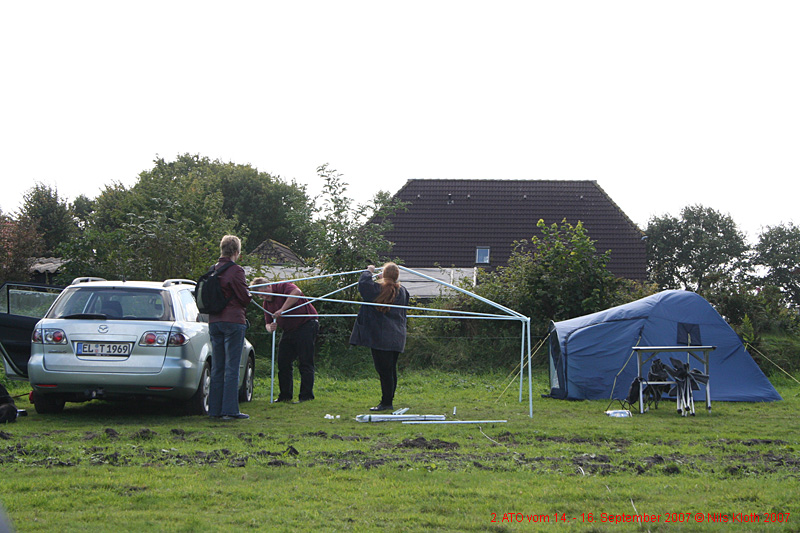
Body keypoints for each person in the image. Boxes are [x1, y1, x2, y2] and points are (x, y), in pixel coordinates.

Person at [349, 263, 410, 412]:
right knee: (390, 370)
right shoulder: (402, 291)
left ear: (384, 274)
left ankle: (386, 402)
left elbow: (364, 285)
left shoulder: (378, 289)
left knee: (384, 371)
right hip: (397, 336)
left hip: (381, 337)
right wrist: (384, 279)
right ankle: (388, 400)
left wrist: (369, 271)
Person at [252, 277, 319, 403]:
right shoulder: (266, 304)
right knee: (283, 362)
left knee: (305, 361)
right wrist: (270, 328)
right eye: (260, 296)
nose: (263, 297)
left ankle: (306, 396)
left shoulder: (282, 286)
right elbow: (268, 323)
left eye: (263, 293)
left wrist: (282, 309)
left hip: (306, 324)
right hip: (289, 330)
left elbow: (296, 293)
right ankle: (285, 396)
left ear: (269, 286)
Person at [207, 235, 251, 420]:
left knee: (217, 367)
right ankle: (230, 410)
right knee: (232, 367)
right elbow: (244, 298)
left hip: (214, 321)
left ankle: (214, 410)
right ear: (236, 252)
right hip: (233, 321)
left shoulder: (212, 270)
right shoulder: (236, 271)